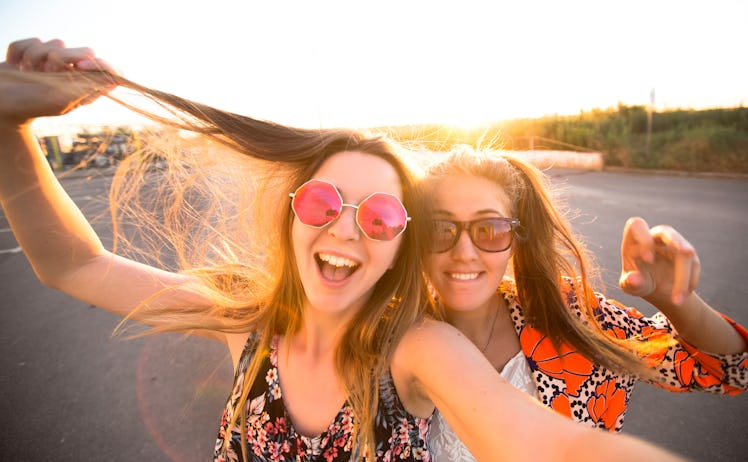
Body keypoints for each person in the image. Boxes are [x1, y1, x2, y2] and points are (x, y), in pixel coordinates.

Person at [0, 37, 687, 462]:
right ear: (293, 216)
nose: (347, 228)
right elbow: (72, 263)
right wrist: (9, 122)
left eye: (383, 215)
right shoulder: (245, 317)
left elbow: (554, 446)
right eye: (325, 203)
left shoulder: (416, 348)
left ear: (400, 248)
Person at [421, 147, 748, 461]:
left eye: (490, 229)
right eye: (439, 228)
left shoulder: (568, 314)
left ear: (516, 241)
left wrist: (674, 299)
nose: (464, 252)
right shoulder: (386, 337)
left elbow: (729, 372)